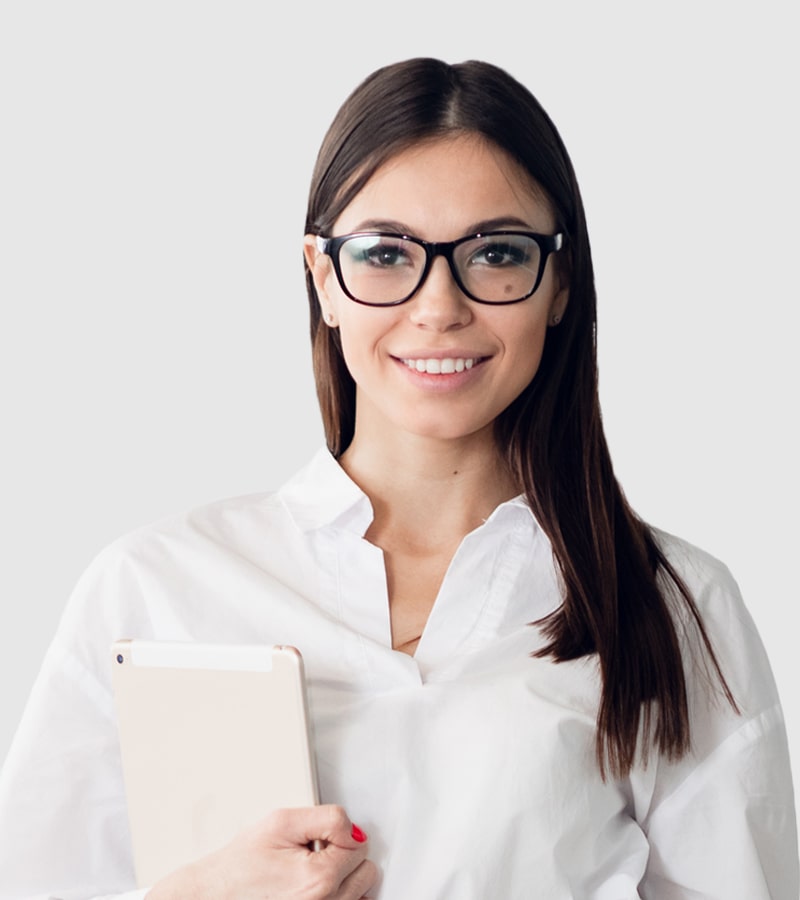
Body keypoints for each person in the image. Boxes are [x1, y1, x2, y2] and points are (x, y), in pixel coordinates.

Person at [0, 56, 797, 899]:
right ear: (322, 279)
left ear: (559, 283)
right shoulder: (153, 589)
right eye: (385, 253)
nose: (439, 305)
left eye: (496, 252)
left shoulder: (673, 606)